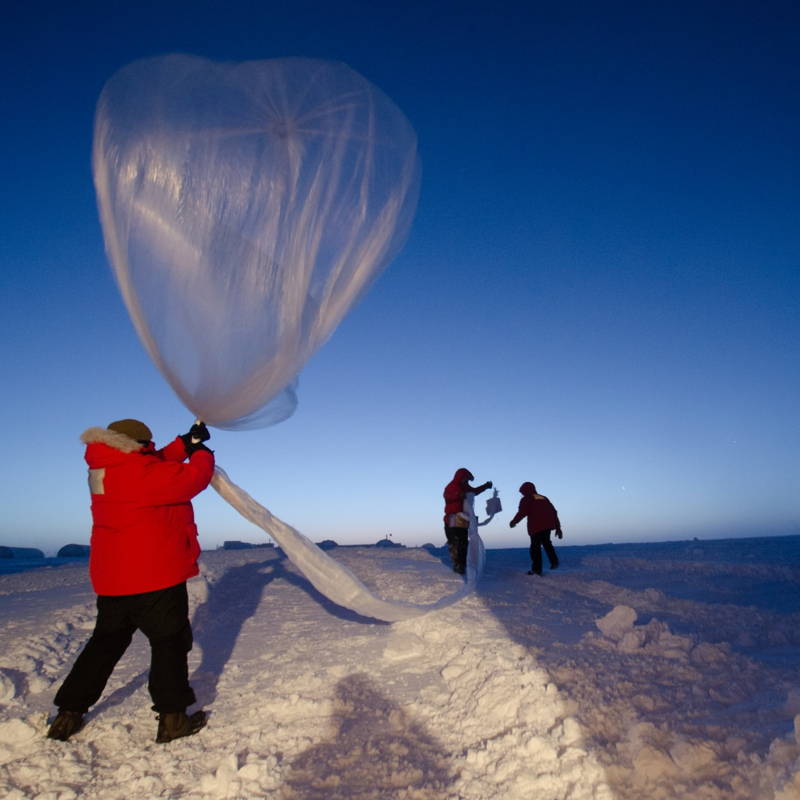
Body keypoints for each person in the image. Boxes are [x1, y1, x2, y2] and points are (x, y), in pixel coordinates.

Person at [47, 419, 215, 744]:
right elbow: (193, 478)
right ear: (138, 445)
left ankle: (68, 713)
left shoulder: (104, 468)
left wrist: (184, 443)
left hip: (113, 579)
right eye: (147, 445)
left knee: (104, 646)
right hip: (156, 577)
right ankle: (173, 719)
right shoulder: (144, 473)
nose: (150, 449)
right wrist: (201, 453)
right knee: (169, 644)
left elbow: (150, 464)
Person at [443, 468, 492, 574]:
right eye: (465, 479)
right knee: (455, 542)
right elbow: (448, 496)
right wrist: (458, 495)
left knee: (463, 542)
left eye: (467, 480)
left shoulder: (465, 486)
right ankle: (458, 565)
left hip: (462, 518)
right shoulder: (452, 486)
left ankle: (462, 565)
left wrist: (485, 486)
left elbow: (474, 492)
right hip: (452, 518)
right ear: (460, 477)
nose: (466, 481)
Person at [509, 482, 563, 575]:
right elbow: (553, 512)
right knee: (547, 543)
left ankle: (536, 570)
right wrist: (558, 528)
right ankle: (554, 562)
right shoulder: (543, 498)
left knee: (535, 548)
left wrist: (514, 521)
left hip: (536, 526)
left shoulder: (526, 499)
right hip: (547, 526)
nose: (522, 494)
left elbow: (522, 512)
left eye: (522, 492)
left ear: (525, 490)